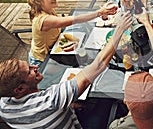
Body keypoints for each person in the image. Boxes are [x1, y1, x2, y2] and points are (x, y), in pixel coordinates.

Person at [0, 11, 132, 129]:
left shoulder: (3, 106)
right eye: (29, 71)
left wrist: (69, 104)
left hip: (63, 112)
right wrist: (119, 29)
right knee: (107, 99)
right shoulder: (51, 100)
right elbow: (97, 66)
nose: (35, 67)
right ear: (20, 89)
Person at [26, 0, 118, 66]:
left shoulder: (48, 9)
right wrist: (99, 12)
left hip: (54, 47)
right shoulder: (44, 20)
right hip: (42, 61)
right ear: (39, 1)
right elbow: (74, 20)